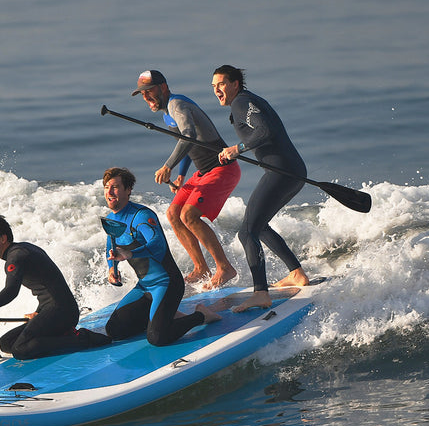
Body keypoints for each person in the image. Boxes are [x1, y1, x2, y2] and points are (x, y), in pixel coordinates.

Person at [131, 69, 241, 289]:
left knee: (189, 215)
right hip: (202, 172)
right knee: (173, 214)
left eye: (149, 91)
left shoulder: (177, 105)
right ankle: (201, 268)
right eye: (142, 93)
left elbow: (188, 135)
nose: (146, 96)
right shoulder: (167, 112)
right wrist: (182, 173)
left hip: (222, 169)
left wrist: (168, 166)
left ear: (163, 87)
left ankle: (224, 268)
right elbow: (190, 143)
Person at [213, 65, 309, 311]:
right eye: (214, 86)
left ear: (235, 84)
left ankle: (260, 293)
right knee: (259, 225)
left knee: (247, 233)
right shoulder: (247, 100)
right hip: (292, 171)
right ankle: (297, 273)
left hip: (281, 172)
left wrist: (238, 148)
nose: (217, 90)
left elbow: (265, 130)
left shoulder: (241, 102)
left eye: (221, 84)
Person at [102, 167, 221, 346]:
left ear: (128, 190)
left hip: (167, 283)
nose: (110, 192)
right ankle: (162, 316)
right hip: (145, 287)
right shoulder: (112, 220)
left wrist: (131, 253)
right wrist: (112, 269)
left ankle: (201, 315)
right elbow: (109, 247)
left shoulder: (141, 216)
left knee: (157, 338)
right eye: (106, 187)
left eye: (115, 187)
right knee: (114, 330)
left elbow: (158, 245)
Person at [0, 215, 110, 359]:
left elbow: (11, 291)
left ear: (3, 238)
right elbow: (46, 286)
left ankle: (83, 338)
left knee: (20, 349)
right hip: (53, 309)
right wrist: (38, 312)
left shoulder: (16, 257)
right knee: (6, 343)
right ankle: (62, 334)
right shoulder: (22, 249)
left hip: (63, 312)